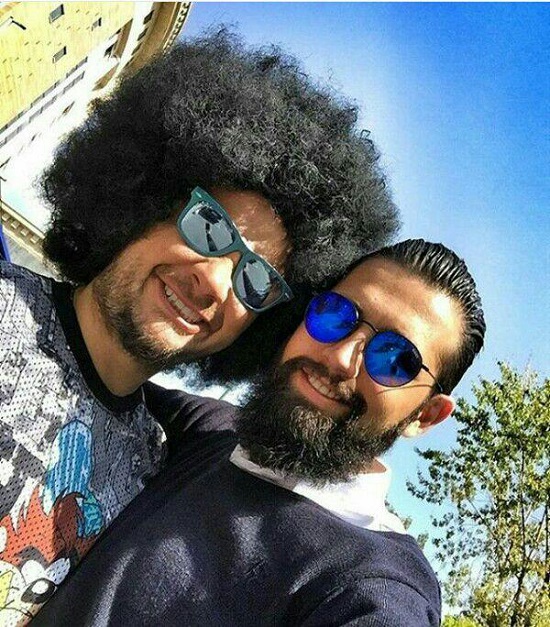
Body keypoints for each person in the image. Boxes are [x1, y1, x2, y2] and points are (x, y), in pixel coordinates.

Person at [0, 30, 398, 623]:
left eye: (255, 280)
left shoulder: (157, 468)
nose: (214, 282)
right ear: (144, 201)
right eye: (208, 226)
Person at [34, 239, 486, 626]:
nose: (339, 357)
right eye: (337, 314)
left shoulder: (374, 588)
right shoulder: (211, 431)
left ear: (426, 416)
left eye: (395, 358)